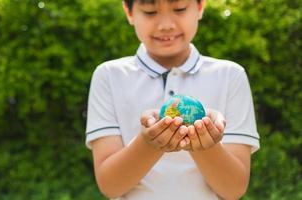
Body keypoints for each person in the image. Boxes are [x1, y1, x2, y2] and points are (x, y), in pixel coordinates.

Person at [85, 0, 260, 199]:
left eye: (180, 9)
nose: (166, 24)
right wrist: (149, 143)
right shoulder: (109, 75)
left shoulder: (230, 75)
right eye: (150, 12)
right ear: (129, 12)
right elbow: (110, 186)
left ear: (200, 7)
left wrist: (204, 144)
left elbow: (234, 189)